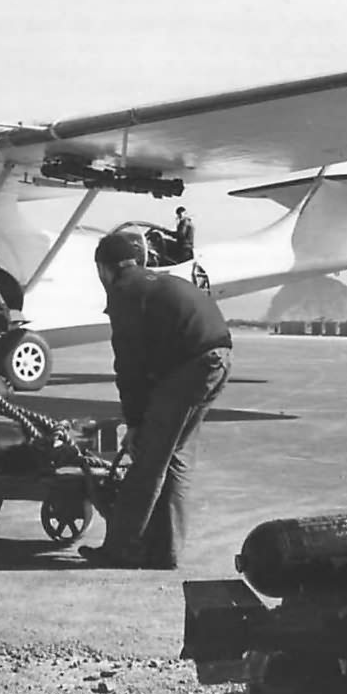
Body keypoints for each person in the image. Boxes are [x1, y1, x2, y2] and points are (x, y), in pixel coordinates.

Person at [79, 233, 232, 569]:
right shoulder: (156, 283)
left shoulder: (125, 293)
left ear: (104, 270)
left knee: (148, 461)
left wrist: (134, 423)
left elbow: (129, 366)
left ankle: (121, 549)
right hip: (217, 358)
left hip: (194, 365)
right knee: (174, 459)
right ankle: (165, 553)